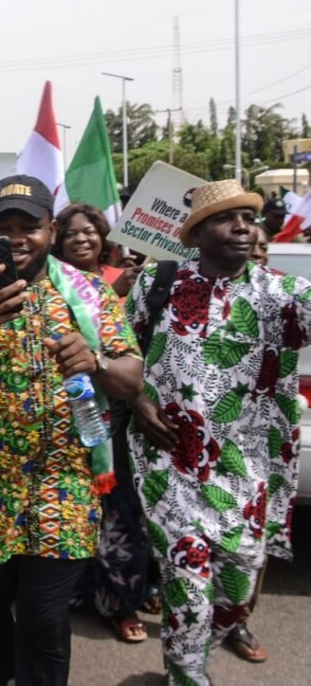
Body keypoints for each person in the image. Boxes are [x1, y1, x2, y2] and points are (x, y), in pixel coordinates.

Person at [0, 175, 143, 686]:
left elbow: (130, 378)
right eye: (4, 225)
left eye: (30, 226)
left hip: (62, 490)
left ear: (52, 228)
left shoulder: (90, 294)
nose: (16, 237)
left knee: (43, 620)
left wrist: (96, 361)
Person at [127, 180, 310, 686]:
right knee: (187, 587)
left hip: (245, 472)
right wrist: (137, 400)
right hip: (170, 465)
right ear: (197, 233)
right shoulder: (156, 283)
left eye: (249, 219)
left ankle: (208, 639)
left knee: (236, 589)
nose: (243, 228)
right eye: (227, 219)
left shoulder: (282, 293)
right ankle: (187, 676)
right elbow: (118, 352)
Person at [52, 202, 153, 643]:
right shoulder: (43, 284)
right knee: (72, 518)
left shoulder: (122, 287)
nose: (82, 239)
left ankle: (120, 604)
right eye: (72, 232)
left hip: (108, 421)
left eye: (91, 232)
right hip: (58, 426)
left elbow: (133, 360)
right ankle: (70, 597)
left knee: (119, 516)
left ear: (103, 238)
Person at [52, 203, 138, 297]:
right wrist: (112, 291)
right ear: (59, 241)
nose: (80, 239)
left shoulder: (124, 278)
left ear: (102, 237)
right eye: (70, 234)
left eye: (89, 232)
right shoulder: (52, 282)